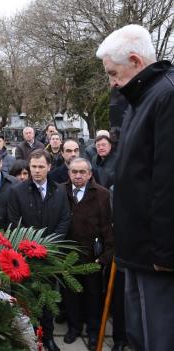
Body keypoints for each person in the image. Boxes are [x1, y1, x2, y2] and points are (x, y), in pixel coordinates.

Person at [96, 24, 174, 351]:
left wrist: (167, 253)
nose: (112, 82)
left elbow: (168, 181)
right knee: (139, 336)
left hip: (157, 256)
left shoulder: (167, 96)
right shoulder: (139, 99)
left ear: (135, 61)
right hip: (135, 250)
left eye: (114, 73)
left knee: (159, 339)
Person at [7, 149, 70, 351]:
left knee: (47, 301)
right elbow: (15, 222)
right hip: (25, 257)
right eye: (33, 166)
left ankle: (49, 337)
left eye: (41, 166)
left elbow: (64, 219)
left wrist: (49, 247)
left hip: (49, 257)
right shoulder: (17, 191)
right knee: (26, 301)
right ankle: (29, 339)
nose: (36, 171)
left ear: (49, 167)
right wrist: (29, 248)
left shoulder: (59, 190)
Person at [63, 158, 114, 351]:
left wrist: (104, 257)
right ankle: (74, 328)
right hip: (68, 256)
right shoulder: (61, 191)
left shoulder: (101, 194)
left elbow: (107, 227)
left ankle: (93, 332)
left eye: (82, 172)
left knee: (93, 297)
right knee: (71, 295)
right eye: (74, 171)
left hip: (93, 256)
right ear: (69, 173)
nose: (77, 175)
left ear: (90, 174)